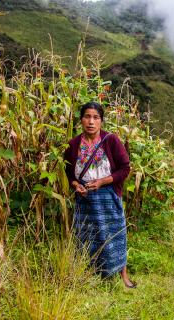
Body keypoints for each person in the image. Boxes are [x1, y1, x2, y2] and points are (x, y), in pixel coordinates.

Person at [64, 101, 136, 288]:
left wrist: (102, 182)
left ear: (101, 121)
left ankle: (123, 275)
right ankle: (90, 272)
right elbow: (69, 173)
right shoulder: (73, 145)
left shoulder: (111, 141)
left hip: (108, 195)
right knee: (86, 235)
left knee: (115, 233)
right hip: (85, 197)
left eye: (96, 117)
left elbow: (125, 168)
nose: (91, 121)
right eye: (87, 116)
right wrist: (75, 185)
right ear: (81, 120)